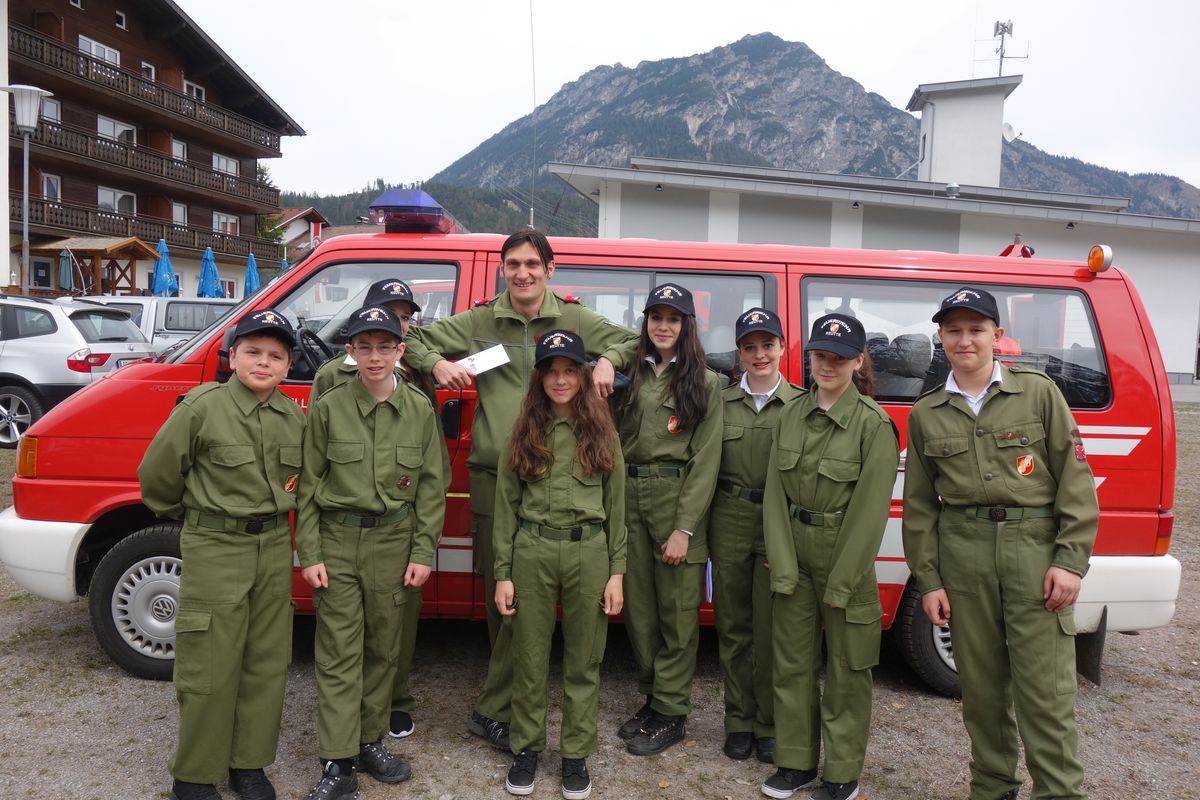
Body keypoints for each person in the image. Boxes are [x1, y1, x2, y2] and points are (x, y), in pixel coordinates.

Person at [402, 229, 637, 750]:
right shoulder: (483, 319)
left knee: (539, 608)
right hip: (495, 478)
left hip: (568, 482)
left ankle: (500, 706)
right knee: (502, 599)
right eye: (513, 264)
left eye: (533, 263)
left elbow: (630, 340)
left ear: (550, 269)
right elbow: (413, 338)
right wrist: (437, 364)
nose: (523, 272)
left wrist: (605, 361)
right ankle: (502, 706)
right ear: (502, 270)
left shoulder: (573, 319)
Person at [903, 287, 1098, 800]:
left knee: (1046, 691)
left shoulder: (1038, 393)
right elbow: (921, 507)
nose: (964, 339)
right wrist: (929, 580)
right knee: (982, 692)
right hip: (963, 552)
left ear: (997, 335)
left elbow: (1075, 482)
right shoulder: (927, 413)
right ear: (940, 338)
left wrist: (1070, 561)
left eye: (975, 329)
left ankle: (1058, 792)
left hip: (1033, 549)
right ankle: (991, 788)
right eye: (953, 330)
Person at [138, 309, 305, 800]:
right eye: (253, 351)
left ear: (287, 364)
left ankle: (248, 765)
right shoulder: (201, 407)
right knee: (209, 665)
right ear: (232, 356)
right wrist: (200, 518)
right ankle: (194, 773)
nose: (263, 361)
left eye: (275, 355)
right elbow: (158, 477)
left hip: (274, 546)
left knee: (265, 662)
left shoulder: (291, 414)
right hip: (216, 546)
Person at [296, 305, 445, 800]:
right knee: (339, 653)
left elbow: (430, 490)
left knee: (384, 649)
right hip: (337, 543)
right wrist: (310, 553)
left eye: (385, 346)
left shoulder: (421, 410)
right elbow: (309, 487)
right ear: (349, 352)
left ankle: (369, 740)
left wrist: (423, 552)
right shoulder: (328, 407)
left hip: (394, 543)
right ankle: (337, 763)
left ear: (401, 351)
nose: (375, 356)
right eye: (365, 346)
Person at [759, 313, 898, 800]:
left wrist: (841, 582)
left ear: (858, 362)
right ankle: (794, 763)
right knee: (792, 664)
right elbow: (775, 493)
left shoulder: (873, 425)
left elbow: (869, 514)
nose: (827, 365)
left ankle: (841, 772)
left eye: (839, 358)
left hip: (846, 558)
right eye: (820, 356)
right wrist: (781, 558)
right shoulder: (791, 414)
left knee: (846, 670)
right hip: (793, 551)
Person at [493, 330, 627, 800]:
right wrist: (503, 574)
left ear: (584, 376)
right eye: (551, 370)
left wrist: (616, 572)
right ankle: (527, 748)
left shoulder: (601, 429)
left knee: (584, 659)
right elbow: (507, 505)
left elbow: (617, 505)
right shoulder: (525, 428)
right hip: (532, 549)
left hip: (588, 551)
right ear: (540, 378)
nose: (560, 379)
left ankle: (575, 754)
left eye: (570, 370)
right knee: (529, 656)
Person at [614, 282, 723, 757]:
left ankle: (673, 713)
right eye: (655, 317)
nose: (663, 326)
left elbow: (706, 461)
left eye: (673, 318)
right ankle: (654, 699)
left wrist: (684, 528)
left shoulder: (705, 382)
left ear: (686, 326)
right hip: (629, 491)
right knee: (639, 610)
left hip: (675, 494)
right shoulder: (630, 374)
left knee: (677, 614)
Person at [710, 308, 804, 764]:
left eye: (768, 345)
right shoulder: (721, 403)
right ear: (740, 353)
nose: (760, 354)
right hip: (729, 518)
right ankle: (738, 720)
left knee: (771, 630)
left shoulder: (802, 405)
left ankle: (768, 723)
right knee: (733, 627)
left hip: (776, 525)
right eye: (750, 346)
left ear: (783, 347)